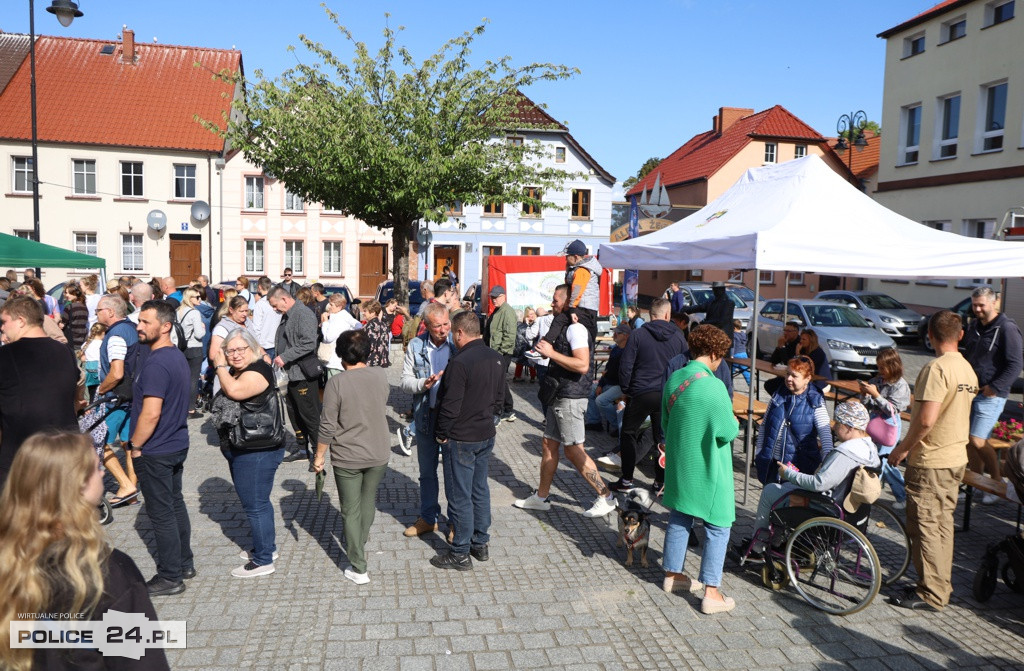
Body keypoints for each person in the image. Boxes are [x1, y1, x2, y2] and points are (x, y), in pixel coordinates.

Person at [0, 431, 171, 671]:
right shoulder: (109, 572)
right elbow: (142, 663)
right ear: (79, 485)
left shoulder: (9, 558)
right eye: (97, 467)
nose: (103, 472)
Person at [887, 310, 978, 611]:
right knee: (942, 526)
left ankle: (931, 592)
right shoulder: (966, 368)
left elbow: (926, 420)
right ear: (960, 334)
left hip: (932, 460)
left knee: (925, 526)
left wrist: (902, 449)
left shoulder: (936, 369)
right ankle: (939, 585)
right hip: (955, 458)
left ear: (930, 336)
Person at [514, 284, 616, 518]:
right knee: (549, 445)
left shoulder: (576, 329)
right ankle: (541, 497)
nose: (552, 304)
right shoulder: (565, 325)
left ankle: (606, 496)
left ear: (569, 302)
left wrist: (551, 354)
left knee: (573, 451)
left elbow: (582, 365)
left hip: (571, 397)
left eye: (556, 300)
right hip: (558, 394)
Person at [660, 324, 739, 614]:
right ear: (716, 354)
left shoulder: (675, 378)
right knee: (719, 525)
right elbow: (728, 431)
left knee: (680, 515)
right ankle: (712, 592)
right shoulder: (714, 386)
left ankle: (672, 575)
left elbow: (665, 423)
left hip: (681, 462)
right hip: (710, 466)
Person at [740, 400, 880, 557]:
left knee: (770, 491)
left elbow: (819, 483)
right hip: (851, 508)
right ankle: (777, 541)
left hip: (826, 507)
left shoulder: (845, 453)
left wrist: (789, 474)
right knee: (786, 488)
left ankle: (758, 546)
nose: (834, 427)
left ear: (849, 427)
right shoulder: (870, 449)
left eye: (838, 423)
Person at [309, 330, 389, 585]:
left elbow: (328, 424)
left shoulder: (337, 383)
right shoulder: (380, 374)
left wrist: (319, 456)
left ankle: (359, 565)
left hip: (348, 455)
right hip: (378, 450)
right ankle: (359, 541)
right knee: (367, 502)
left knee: (350, 510)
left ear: (341, 354)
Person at [430, 310, 505, 570]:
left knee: (460, 495)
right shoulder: (496, 357)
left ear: (460, 332)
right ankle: (480, 543)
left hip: (461, 437)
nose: (453, 337)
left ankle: (460, 551)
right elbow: (503, 400)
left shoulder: (460, 362)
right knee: (480, 489)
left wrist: (441, 433)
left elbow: (450, 405)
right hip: (485, 435)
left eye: (453, 333)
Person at [129, 300, 194, 596]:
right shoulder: (175, 356)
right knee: (175, 503)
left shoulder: (157, 362)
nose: (139, 327)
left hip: (156, 448)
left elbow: (151, 412)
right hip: (176, 443)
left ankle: (170, 576)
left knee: (162, 512)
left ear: (165, 326)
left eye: (145, 322)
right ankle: (184, 564)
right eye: (139, 321)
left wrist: (135, 445)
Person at [211, 329, 285, 578]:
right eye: (230, 350)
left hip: (257, 449)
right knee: (258, 502)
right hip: (246, 446)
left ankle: (264, 560)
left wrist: (220, 365)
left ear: (252, 348)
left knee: (255, 505)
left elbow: (235, 392)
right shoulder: (242, 369)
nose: (235, 355)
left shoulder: (257, 370)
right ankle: (268, 548)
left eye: (241, 349)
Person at [0, 296, 81, 488]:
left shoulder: (6, 355)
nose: (2, 328)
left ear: (21, 320)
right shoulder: (66, 352)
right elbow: (76, 392)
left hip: (23, 455)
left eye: (4, 322)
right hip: (65, 451)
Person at [611, 298, 688, 493]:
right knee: (662, 438)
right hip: (667, 394)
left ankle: (627, 480)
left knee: (628, 433)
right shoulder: (679, 337)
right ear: (667, 315)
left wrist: (627, 390)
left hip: (642, 392)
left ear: (650, 315)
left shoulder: (638, 335)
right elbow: (686, 367)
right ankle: (660, 482)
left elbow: (626, 365)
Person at [962, 286, 1024, 503]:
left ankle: (997, 482)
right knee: (968, 442)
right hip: (970, 392)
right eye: (974, 304)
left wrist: (995, 387)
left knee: (978, 440)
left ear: (994, 303)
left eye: (981, 305)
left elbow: (1016, 364)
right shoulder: (974, 326)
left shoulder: (1007, 328)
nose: (977, 309)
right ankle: (976, 483)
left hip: (992, 395)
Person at [400, 302, 455, 536]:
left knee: (453, 473)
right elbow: (404, 381)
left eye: (445, 324)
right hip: (426, 415)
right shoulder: (416, 345)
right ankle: (428, 517)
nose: (443, 330)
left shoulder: (458, 345)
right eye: (437, 326)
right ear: (426, 326)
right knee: (426, 472)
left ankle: (455, 521)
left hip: (452, 419)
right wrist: (424, 384)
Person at [754, 355, 833, 484]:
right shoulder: (778, 394)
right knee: (769, 500)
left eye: (794, 376)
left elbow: (826, 438)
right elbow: (764, 426)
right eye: (787, 374)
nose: (789, 379)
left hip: (798, 469)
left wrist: (826, 469)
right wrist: (759, 453)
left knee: (790, 502)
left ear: (807, 379)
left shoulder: (815, 401)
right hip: (772, 464)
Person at [95, 294, 141, 506]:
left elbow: (117, 372)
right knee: (127, 442)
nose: (96, 314)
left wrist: (100, 391)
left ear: (110, 312)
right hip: (131, 396)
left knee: (96, 441)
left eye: (98, 310)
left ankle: (126, 485)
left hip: (116, 398)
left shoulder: (115, 335)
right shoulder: (132, 328)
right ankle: (131, 489)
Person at [269, 286, 321, 465]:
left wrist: (284, 356)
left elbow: (308, 343)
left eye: (275, 305)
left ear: (284, 299)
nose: (275, 310)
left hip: (302, 374)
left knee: (309, 415)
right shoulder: (288, 313)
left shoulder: (303, 313)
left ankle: (317, 453)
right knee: (294, 414)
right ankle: (301, 448)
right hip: (289, 374)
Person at [860, 347, 911, 509]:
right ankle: (900, 495)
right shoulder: (877, 380)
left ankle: (872, 495)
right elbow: (867, 405)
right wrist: (865, 394)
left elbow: (892, 410)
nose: (880, 371)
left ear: (893, 366)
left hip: (889, 427)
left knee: (880, 461)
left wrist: (876, 395)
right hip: (874, 424)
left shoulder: (900, 386)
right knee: (882, 461)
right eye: (879, 367)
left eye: (883, 367)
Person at [540, 239, 602, 348]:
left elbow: (576, 290)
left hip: (585, 310)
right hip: (582, 308)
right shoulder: (575, 268)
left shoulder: (582, 270)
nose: (565, 258)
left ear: (576, 256)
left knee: (559, 320)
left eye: (567, 256)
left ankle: (545, 344)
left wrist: (572, 310)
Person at [591, 322, 630, 439]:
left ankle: (617, 424)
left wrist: (606, 375)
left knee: (601, 401)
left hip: (620, 385)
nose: (614, 334)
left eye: (618, 333)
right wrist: (601, 384)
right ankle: (594, 421)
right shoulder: (615, 350)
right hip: (609, 382)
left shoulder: (629, 352)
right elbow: (608, 370)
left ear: (626, 336)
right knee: (589, 391)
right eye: (614, 332)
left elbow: (621, 373)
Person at [484, 284, 517, 422]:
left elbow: (510, 335)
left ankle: (505, 410)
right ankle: (506, 409)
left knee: (499, 381)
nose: (493, 299)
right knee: (499, 381)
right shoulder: (498, 310)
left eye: (496, 297)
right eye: (492, 297)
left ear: (503, 296)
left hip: (502, 353)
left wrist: (501, 353)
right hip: (496, 352)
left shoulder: (507, 311)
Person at [178, 288, 208, 419]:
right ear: (189, 298)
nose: (199, 299)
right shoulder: (194, 313)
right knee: (193, 380)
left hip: (181, 347)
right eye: (197, 297)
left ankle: (181, 407)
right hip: (194, 348)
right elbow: (199, 334)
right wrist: (203, 328)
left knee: (183, 379)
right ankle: (190, 410)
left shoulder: (178, 311)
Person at [321, 292, 361, 378]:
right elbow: (358, 325)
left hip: (335, 360)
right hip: (342, 358)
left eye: (331, 305)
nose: (329, 307)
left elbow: (328, 338)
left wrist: (325, 322)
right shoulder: (345, 315)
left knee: (335, 387)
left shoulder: (338, 319)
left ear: (339, 307)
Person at [764, 321, 801, 396]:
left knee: (775, 386)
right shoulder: (785, 341)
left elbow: (788, 363)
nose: (786, 333)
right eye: (785, 330)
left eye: (789, 331)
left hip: (797, 377)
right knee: (769, 385)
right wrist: (779, 347)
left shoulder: (799, 344)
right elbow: (774, 360)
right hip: (786, 375)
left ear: (796, 332)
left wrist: (782, 347)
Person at [251, 276, 282, 359]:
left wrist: (257, 346)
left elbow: (256, 327)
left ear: (259, 287)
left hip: (264, 346)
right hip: (278, 343)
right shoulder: (278, 301)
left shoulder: (260, 304)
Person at [361, 299, 392, 368]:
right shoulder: (383, 324)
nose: (363, 313)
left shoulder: (371, 325)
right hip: (381, 362)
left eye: (365, 311)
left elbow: (370, 345)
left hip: (371, 362)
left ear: (372, 312)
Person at [513, 307, 540, 382]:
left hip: (532, 346)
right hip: (524, 346)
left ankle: (532, 376)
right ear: (526, 316)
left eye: (533, 313)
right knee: (524, 357)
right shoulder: (525, 324)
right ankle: (519, 375)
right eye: (529, 314)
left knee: (529, 357)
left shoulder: (537, 323)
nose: (532, 316)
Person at [61, 281, 90, 349]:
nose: (66, 295)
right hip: (82, 340)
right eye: (66, 292)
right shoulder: (84, 307)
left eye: (69, 293)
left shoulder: (69, 307)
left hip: (71, 341)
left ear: (75, 293)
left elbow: (62, 324)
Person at [81, 322, 106, 400]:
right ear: (103, 333)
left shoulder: (86, 344)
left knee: (91, 393)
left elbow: (83, 358)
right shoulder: (103, 344)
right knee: (100, 393)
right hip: (100, 370)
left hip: (89, 371)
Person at [731, 319, 750, 386]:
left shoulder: (734, 335)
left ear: (734, 328)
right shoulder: (743, 334)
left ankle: (730, 385)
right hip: (744, 354)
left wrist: (731, 355)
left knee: (731, 371)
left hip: (736, 354)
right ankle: (750, 383)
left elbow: (733, 345)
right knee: (745, 370)